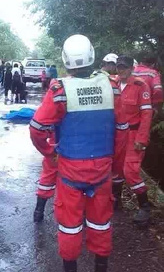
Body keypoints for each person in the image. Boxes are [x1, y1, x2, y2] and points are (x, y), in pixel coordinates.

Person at [30, 34, 127, 272]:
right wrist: (116, 168)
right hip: (103, 168)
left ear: (65, 60)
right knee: (101, 222)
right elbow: (122, 131)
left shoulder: (60, 89)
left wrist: (49, 152)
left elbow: (37, 128)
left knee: (70, 226)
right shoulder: (112, 87)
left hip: (70, 169)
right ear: (92, 56)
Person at [112, 56, 153, 224]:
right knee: (116, 169)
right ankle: (116, 203)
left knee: (130, 171)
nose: (121, 70)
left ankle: (145, 206)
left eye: (124, 67)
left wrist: (142, 138)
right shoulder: (111, 83)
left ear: (131, 68)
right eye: (119, 67)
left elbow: (146, 114)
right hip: (116, 135)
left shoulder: (140, 85)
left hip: (133, 135)